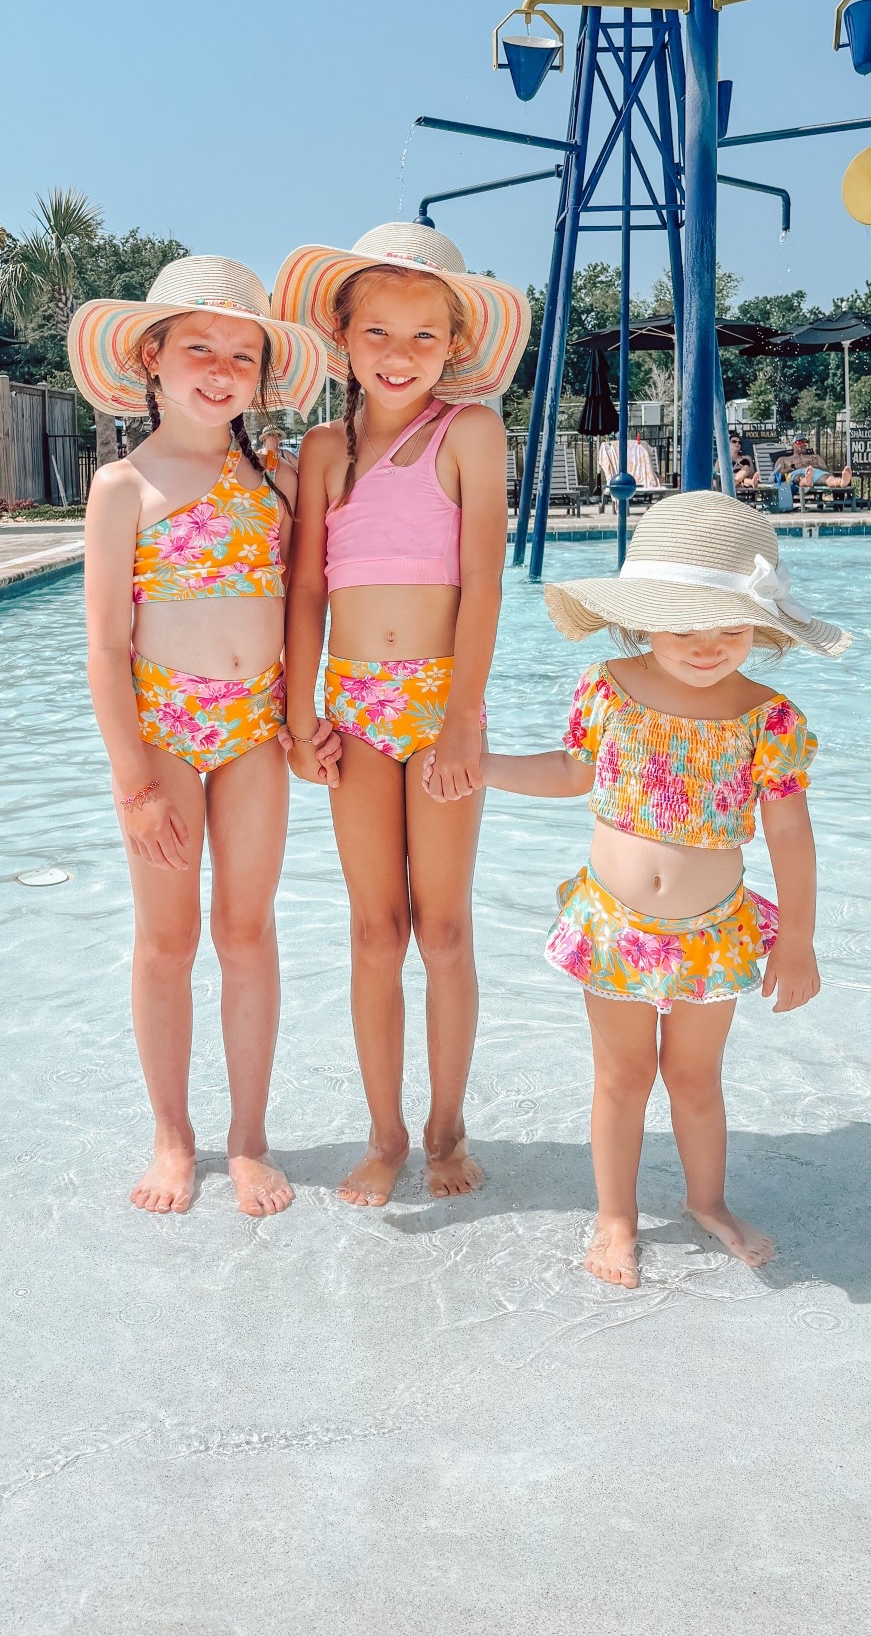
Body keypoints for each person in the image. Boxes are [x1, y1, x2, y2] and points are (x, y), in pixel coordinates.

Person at [433, 493, 849, 1288]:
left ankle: (708, 1202)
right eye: (687, 628)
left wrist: (797, 940)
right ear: (643, 620)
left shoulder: (769, 719)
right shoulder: (609, 687)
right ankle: (616, 1217)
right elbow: (573, 772)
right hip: (614, 925)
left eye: (731, 630)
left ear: (758, 627)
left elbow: (791, 835)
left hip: (713, 930)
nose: (709, 647)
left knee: (695, 1079)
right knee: (622, 1076)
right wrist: (481, 768)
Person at [68, 258, 334, 1218]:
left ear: (261, 377)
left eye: (241, 356)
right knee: (168, 939)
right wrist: (132, 781)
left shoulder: (279, 482)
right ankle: (173, 1134)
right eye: (198, 349)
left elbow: (307, 607)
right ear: (152, 357)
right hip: (165, 736)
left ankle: (249, 1136)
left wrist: (303, 721)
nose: (220, 371)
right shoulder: (122, 487)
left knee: (247, 931)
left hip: (255, 728)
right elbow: (106, 647)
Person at [276, 222, 530, 1206]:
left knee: (445, 928)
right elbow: (307, 588)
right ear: (343, 337)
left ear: (454, 344)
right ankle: (384, 1133)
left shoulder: (469, 433)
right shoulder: (323, 450)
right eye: (377, 332)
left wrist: (464, 717)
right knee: (375, 930)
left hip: (437, 700)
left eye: (424, 335)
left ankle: (446, 1130)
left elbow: (483, 581)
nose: (399, 354)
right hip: (350, 704)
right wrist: (301, 710)